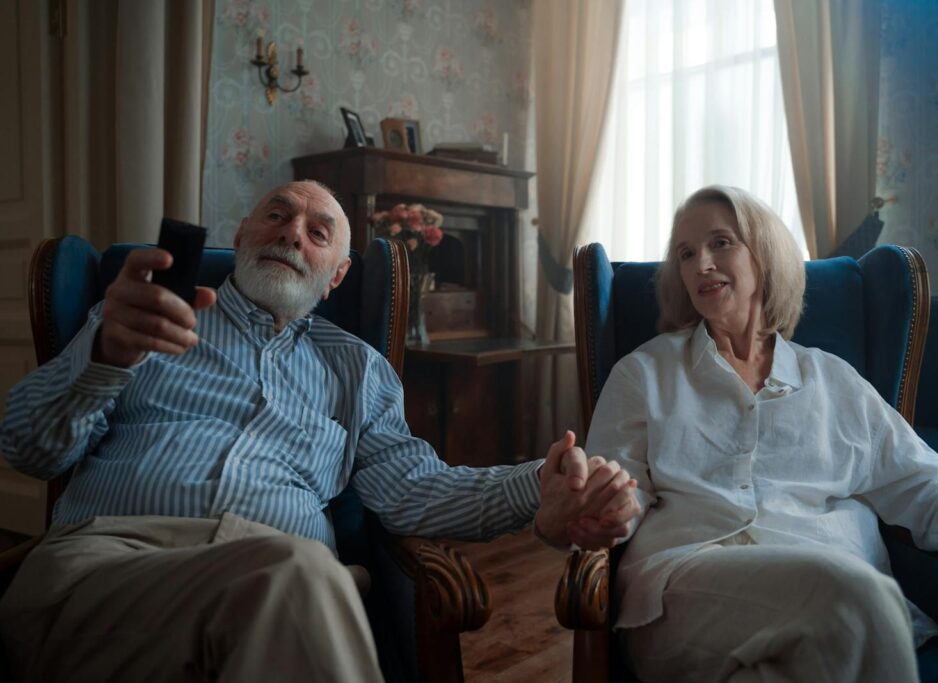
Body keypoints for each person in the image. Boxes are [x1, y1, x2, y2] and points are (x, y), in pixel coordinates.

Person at [0, 180, 641, 682]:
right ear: (244, 234)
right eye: (276, 216)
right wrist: (104, 360)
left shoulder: (357, 368)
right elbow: (26, 446)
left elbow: (415, 489)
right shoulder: (141, 321)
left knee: (294, 578)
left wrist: (539, 485)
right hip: (108, 567)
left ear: (336, 274)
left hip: (284, 591)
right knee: (300, 574)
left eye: (317, 230)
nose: (291, 235)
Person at [578, 185, 938, 683]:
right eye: (686, 253)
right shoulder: (644, 373)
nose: (701, 263)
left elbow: (925, 489)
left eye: (720, 242)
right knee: (854, 597)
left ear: (764, 254)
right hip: (686, 591)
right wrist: (609, 507)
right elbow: (616, 492)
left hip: (827, 611)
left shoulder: (834, 380)